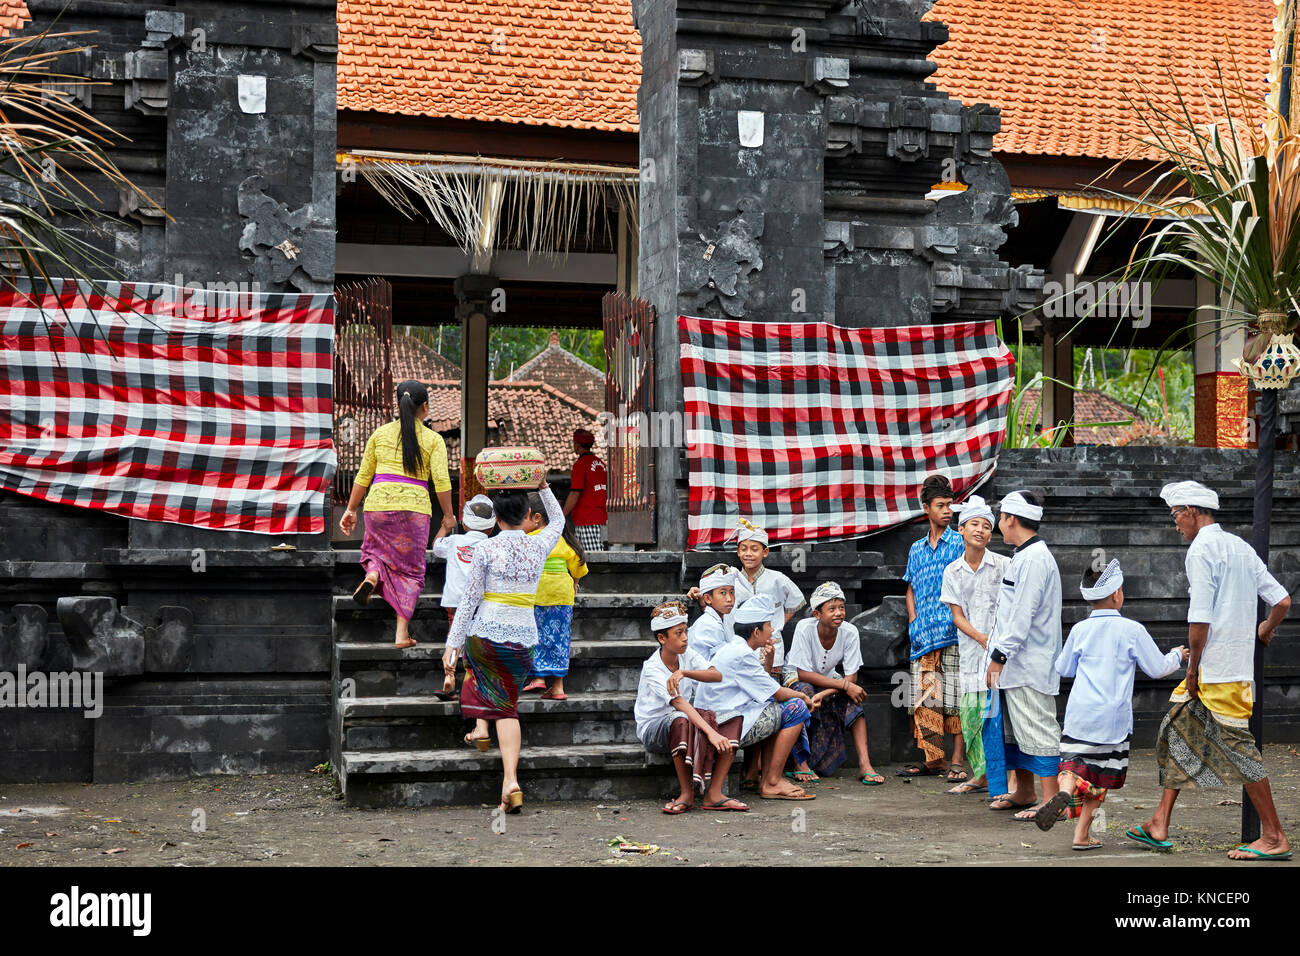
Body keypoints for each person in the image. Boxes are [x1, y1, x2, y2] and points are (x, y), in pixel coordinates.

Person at [1129, 481, 1293, 861]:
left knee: (1239, 750)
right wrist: (1264, 630)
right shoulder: (1239, 547)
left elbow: (1199, 622)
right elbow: (1281, 600)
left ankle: (1273, 836)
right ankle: (1159, 821)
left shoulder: (1201, 549)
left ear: (1190, 511)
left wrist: (1192, 671)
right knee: (1176, 731)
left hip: (1217, 672)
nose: (1176, 525)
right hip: (1230, 669)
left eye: (1176, 516)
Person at [1032, 559, 1187, 851]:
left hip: (1080, 714)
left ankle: (1064, 791)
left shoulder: (1080, 629)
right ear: (1117, 594)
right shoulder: (1132, 629)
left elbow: (1064, 668)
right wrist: (1177, 654)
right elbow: (1157, 668)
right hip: (1112, 720)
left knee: (1073, 765)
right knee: (1099, 778)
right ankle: (1080, 835)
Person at [441, 479, 565, 815]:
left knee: (484, 689)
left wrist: (451, 646)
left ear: (496, 518)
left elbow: (469, 601)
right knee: (508, 707)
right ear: (527, 515)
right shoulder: (538, 545)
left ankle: (481, 731)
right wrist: (543, 485)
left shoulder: (485, 548)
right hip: (522, 638)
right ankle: (510, 780)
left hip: (484, 636)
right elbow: (558, 521)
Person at [340, 380, 456, 649]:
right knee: (411, 570)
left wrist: (351, 509)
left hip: (378, 504)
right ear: (424, 407)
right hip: (414, 510)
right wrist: (448, 516)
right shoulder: (433, 439)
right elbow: (441, 481)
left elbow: (364, 475)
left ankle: (372, 575)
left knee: (376, 552)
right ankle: (401, 634)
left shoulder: (379, 434)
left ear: (397, 404)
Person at [983, 490, 1064, 822]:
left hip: (1028, 663)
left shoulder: (1033, 559)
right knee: (1016, 730)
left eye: (1000, 517)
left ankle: (1051, 799)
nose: (998, 523)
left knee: (1039, 729)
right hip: (1017, 663)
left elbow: (1022, 616)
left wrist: (999, 656)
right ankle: (1025, 791)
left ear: (1010, 519)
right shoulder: (1024, 555)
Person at [696, 596, 817, 801]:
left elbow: (763, 688)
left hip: (724, 717)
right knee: (796, 708)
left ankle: (767, 779)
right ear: (756, 632)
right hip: (723, 725)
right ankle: (771, 782)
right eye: (768, 625)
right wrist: (803, 697)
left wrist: (768, 661)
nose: (771, 631)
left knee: (776, 707)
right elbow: (777, 693)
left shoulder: (736, 648)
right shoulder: (742, 653)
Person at [634, 601, 747, 813]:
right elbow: (678, 703)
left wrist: (685, 673)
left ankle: (714, 794)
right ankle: (687, 793)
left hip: (685, 721)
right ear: (662, 638)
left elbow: (716, 674)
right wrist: (712, 733)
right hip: (654, 729)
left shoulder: (687, 654)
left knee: (734, 717)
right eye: (678, 633)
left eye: (685, 631)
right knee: (680, 718)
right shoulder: (652, 668)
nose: (685, 637)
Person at [939, 495, 1008, 796]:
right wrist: (981, 638)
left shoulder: (1005, 565)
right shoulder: (952, 571)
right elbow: (957, 616)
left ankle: (999, 778)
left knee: (995, 718)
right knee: (970, 718)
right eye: (974, 525)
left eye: (987, 527)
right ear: (962, 530)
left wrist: (995, 642)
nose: (981, 531)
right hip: (970, 653)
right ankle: (980, 774)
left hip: (1001, 656)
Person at [899, 474, 966, 780]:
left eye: (950, 505)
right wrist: (913, 621)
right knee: (928, 701)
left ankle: (956, 761)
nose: (947, 511)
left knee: (955, 699)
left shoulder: (959, 543)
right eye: (940, 505)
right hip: (923, 636)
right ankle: (934, 759)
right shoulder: (916, 549)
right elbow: (910, 587)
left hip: (953, 632)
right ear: (926, 508)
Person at [786, 582, 882, 785]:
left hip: (829, 677)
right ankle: (800, 764)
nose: (839, 613)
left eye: (841, 608)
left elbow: (852, 677)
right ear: (817, 614)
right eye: (832, 609)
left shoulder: (850, 632)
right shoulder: (804, 628)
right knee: (804, 693)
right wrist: (844, 686)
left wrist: (828, 692)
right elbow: (803, 673)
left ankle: (865, 765)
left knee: (854, 700)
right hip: (796, 676)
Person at [520, 494, 588, 701]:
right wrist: (575, 581)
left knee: (534, 635)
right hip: (562, 596)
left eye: (522, 518)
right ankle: (558, 687)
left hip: (536, 595)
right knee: (559, 639)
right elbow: (578, 567)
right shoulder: (565, 540)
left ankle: (538, 678)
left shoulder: (530, 540)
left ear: (537, 518)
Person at [432, 494, 496, 698]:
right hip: (480, 603)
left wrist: (445, 527)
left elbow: (436, 547)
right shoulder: (492, 546)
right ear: (491, 527)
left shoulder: (453, 541)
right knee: (475, 641)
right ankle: (473, 680)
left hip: (455, 601)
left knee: (455, 637)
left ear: (465, 524)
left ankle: (449, 675)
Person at [731, 518, 805, 676]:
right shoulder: (732, 580)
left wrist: (778, 624)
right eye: (743, 549)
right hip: (741, 646)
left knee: (771, 690)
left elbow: (796, 601)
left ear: (765, 552)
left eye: (754, 549)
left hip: (771, 646)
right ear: (738, 552)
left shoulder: (777, 579)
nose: (748, 554)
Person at [563, 428, 607, 554]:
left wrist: (562, 514)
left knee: (591, 559)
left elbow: (575, 492)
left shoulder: (580, 465)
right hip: (603, 518)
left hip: (587, 520)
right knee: (600, 554)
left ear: (577, 445)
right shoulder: (601, 464)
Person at [686, 564, 742, 662]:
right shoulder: (709, 626)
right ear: (707, 598)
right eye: (723, 593)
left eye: (732, 592)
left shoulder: (716, 621)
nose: (729, 599)